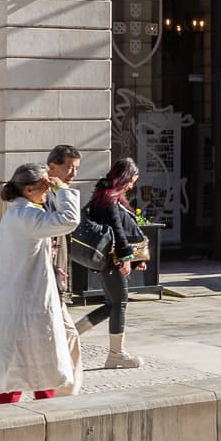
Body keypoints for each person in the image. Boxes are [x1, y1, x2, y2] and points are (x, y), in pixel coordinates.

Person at [0, 149, 84, 404]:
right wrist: (63, 188)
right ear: (29, 190)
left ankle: (35, 412)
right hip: (30, 302)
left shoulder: (17, 215)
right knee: (38, 365)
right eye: (46, 186)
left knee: (22, 367)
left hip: (19, 300)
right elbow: (69, 219)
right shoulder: (27, 216)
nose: (49, 191)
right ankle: (44, 415)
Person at [75, 157, 148, 369]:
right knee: (120, 303)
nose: (132, 185)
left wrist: (135, 260)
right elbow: (116, 229)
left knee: (112, 304)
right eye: (132, 180)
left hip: (110, 258)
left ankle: (71, 335)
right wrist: (126, 258)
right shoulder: (109, 198)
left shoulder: (105, 195)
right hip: (112, 260)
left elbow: (123, 229)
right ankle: (116, 354)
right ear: (124, 177)